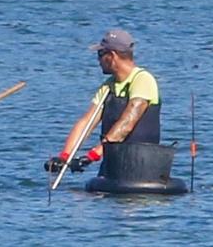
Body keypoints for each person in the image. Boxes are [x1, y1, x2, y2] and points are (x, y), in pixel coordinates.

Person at [46, 28, 161, 175]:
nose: (98, 60)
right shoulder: (108, 86)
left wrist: (92, 156)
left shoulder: (142, 80)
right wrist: (64, 157)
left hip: (141, 163)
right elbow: (86, 123)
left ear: (112, 56)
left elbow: (127, 124)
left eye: (100, 54)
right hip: (114, 164)